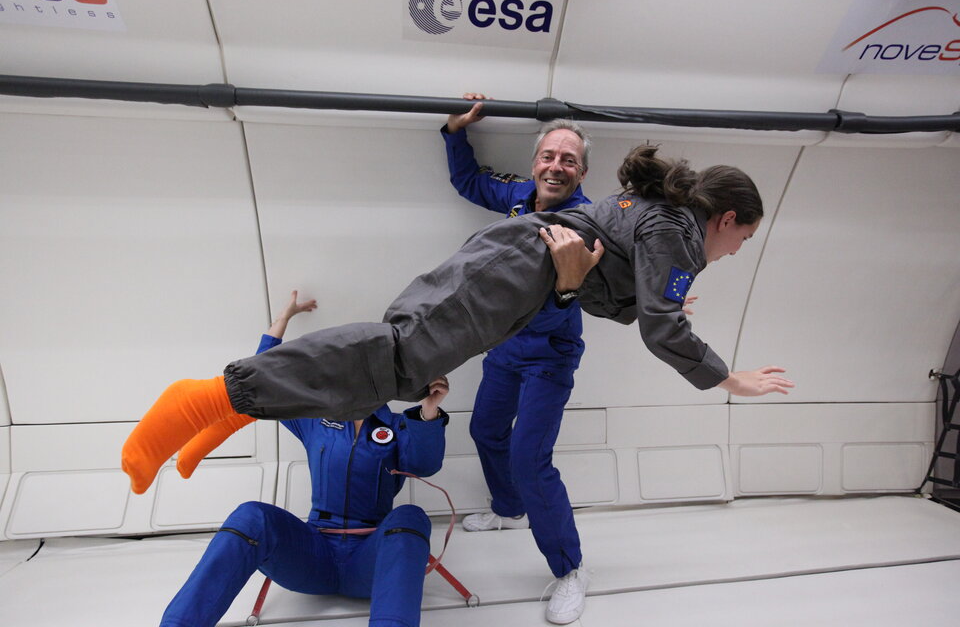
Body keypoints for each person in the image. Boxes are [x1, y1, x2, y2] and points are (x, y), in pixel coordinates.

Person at [122, 143, 794, 519]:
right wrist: (726, 376)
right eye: (744, 237)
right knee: (397, 358)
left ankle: (228, 414)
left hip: (516, 271)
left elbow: (596, 281)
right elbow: (658, 326)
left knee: (397, 368)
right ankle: (207, 397)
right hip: (515, 269)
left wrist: (638, 304)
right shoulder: (678, 228)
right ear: (728, 218)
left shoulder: (655, 213)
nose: (737, 251)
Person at [159, 291, 450, 627]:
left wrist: (429, 412)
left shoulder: (400, 426)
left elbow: (425, 464)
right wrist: (282, 321)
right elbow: (264, 381)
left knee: (411, 516)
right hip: (314, 556)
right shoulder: (313, 420)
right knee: (251, 516)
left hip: (370, 560)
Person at [441, 94, 591, 624]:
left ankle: (570, 569)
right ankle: (509, 509)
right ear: (535, 164)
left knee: (531, 459)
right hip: (504, 349)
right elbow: (468, 182)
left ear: (581, 172)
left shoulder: (589, 225)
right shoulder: (516, 196)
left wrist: (663, 295)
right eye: (549, 156)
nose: (556, 166)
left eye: (568, 160)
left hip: (549, 355)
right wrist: (456, 131)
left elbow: (613, 285)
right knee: (485, 431)